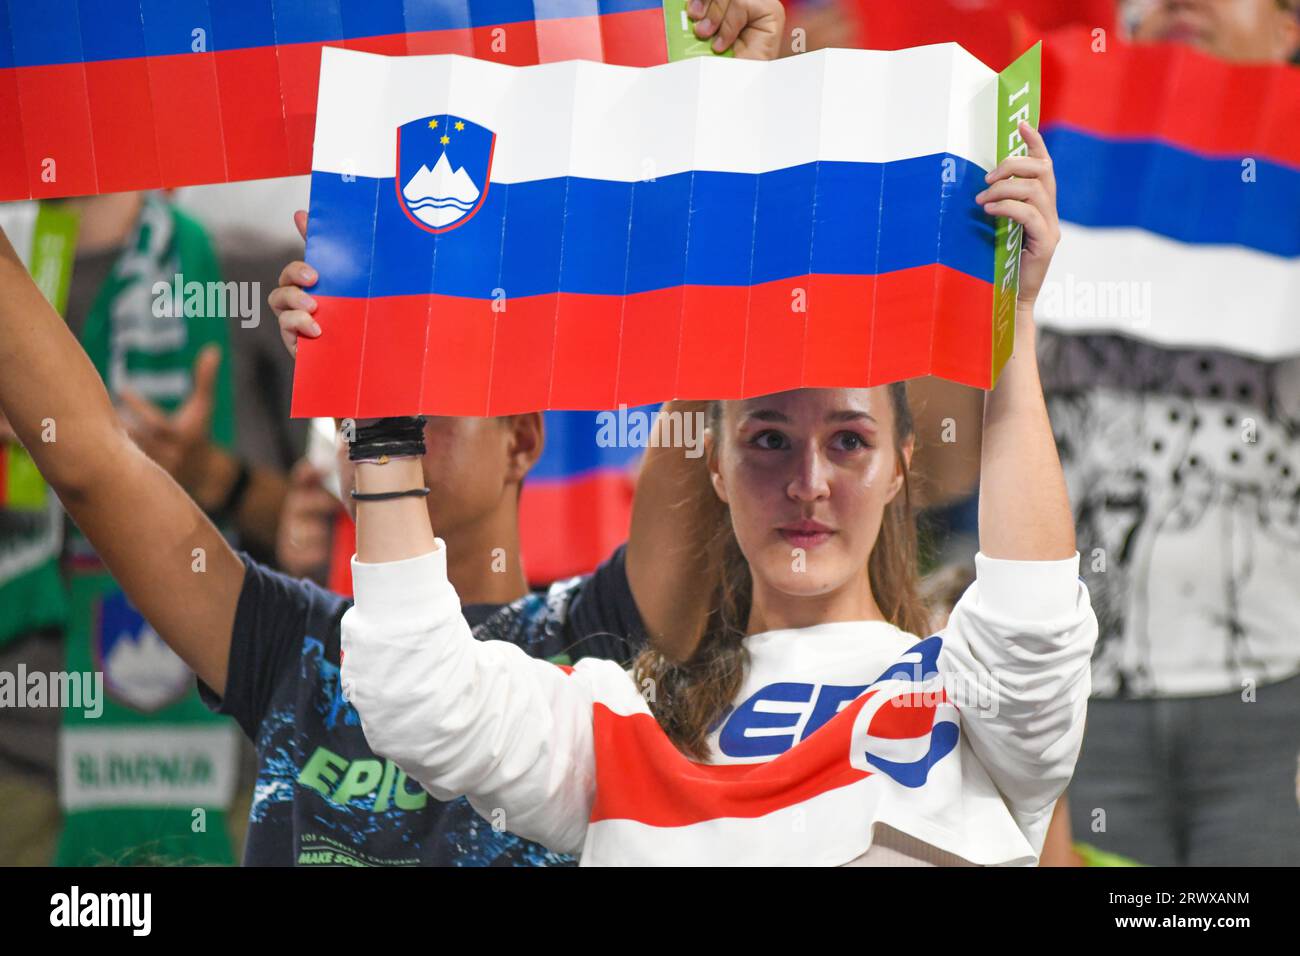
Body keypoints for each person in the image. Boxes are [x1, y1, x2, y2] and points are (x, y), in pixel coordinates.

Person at [0, 0, 785, 867]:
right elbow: (90, 460)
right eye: (369, 407)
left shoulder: (596, 637)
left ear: (523, 441)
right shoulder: (290, 644)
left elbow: (705, 378)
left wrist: (738, 104)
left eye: (424, 398)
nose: (390, 428)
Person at [337, 124, 1100, 865]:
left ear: (901, 466)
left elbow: (1031, 620)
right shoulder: (625, 718)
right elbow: (419, 696)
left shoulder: (971, 698)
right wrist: (379, 411)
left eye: (849, 442)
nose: (809, 484)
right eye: (768, 440)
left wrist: (1013, 323)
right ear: (714, 469)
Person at [1041, 0, 1300, 865]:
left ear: (1289, 24)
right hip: (1075, 703)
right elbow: (937, 461)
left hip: (1279, 701)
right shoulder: (1043, 157)